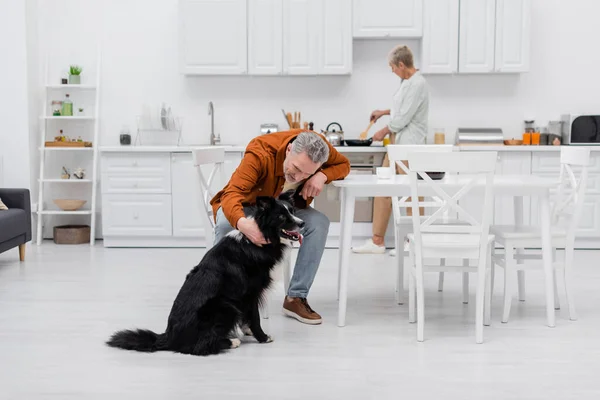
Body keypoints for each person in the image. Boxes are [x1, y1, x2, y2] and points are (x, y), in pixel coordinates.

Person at [211, 129, 351, 325]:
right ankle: (218, 296)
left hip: (286, 209)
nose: (298, 176)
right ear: (289, 149)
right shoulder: (260, 153)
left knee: (319, 223)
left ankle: (296, 298)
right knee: (227, 224)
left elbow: (344, 164)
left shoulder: (320, 149)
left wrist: (322, 176)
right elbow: (232, 194)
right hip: (252, 206)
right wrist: (244, 224)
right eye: (296, 167)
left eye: (307, 173)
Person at [352, 44, 429, 256]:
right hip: (398, 146)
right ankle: (377, 242)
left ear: (402, 64)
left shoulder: (418, 84)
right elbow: (401, 110)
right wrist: (384, 112)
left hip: (409, 147)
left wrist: (383, 131)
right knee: (383, 189)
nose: (392, 71)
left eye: (392, 67)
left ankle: (413, 243)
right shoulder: (407, 82)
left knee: (412, 195)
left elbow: (404, 117)